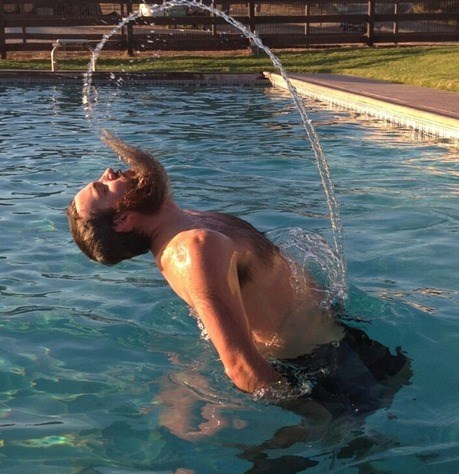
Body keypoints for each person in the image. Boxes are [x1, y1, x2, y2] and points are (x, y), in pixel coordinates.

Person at [67, 132, 411, 438]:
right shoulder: (193, 250)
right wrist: (316, 416)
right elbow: (240, 366)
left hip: (341, 339)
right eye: (102, 188)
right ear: (123, 220)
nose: (108, 172)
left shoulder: (191, 224)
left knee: (403, 400)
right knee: (383, 450)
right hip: (322, 366)